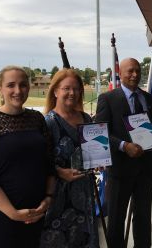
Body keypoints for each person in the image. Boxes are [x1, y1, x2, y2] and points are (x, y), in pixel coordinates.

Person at [95, 57, 152, 248]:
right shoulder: (108, 99)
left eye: (138, 71)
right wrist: (124, 145)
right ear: (120, 73)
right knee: (116, 219)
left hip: (145, 169)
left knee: (143, 218)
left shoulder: (147, 98)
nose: (135, 75)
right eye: (130, 71)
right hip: (119, 170)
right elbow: (101, 131)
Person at [0, 65, 56, 248]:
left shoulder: (36, 119)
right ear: (0, 89)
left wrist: (48, 198)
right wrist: (13, 213)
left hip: (36, 215)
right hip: (1, 218)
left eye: (23, 85)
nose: (18, 90)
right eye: (11, 85)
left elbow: (49, 163)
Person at [41, 68, 99, 247]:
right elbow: (39, 161)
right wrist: (59, 172)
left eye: (76, 89)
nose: (72, 93)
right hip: (58, 197)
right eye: (66, 88)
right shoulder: (47, 122)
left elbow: (94, 152)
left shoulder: (87, 119)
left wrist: (99, 161)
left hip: (84, 193)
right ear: (56, 91)